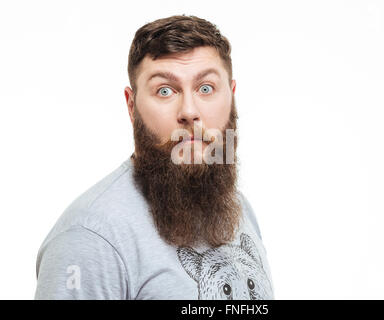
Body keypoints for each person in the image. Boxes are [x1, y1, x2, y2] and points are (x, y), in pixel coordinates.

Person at [34, 14, 274, 300]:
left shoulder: (239, 209)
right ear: (132, 106)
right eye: (165, 90)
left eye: (206, 88)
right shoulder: (90, 238)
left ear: (231, 96)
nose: (189, 111)